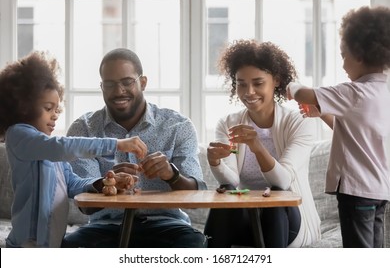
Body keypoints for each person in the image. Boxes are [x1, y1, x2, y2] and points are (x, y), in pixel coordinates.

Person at [61, 48, 207, 248]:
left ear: (143, 82)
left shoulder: (178, 126)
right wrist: (107, 184)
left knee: (194, 245)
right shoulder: (83, 129)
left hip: (168, 225)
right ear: (102, 87)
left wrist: (172, 175)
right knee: (69, 249)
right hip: (106, 226)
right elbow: (86, 207)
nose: (119, 91)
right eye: (110, 84)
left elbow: (196, 198)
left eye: (127, 82)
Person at [0, 51, 147, 248]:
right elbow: (62, 146)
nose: (55, 116)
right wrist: (116, 144)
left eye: (57, 109)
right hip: (27, 243)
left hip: (51, 242)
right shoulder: (19, 135)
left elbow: (73, 183)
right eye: (48, 108)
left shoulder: (49, 148)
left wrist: (104, 183)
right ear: (24, 106)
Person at [287, 5, 390, 248]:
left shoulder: (354, 92)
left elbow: (304, 93)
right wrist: (322, 113)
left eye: (343, 55)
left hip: (356, 190)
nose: (342, 64)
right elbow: (353, 131)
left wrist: (290, 85)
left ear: (360, 55)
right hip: (379, 190)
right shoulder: (383, 92)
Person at [204, 40, 321, 248]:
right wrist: (216, 163)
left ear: (275, 80)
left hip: (288, 221)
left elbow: (284, 181)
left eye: (258, 83)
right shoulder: (228, 123)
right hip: (245, 219)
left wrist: (257, 147)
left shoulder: (298, 122)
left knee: (277, 196)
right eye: (241, 84)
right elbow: (230, 179)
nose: (249, 92)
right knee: (226, 191)